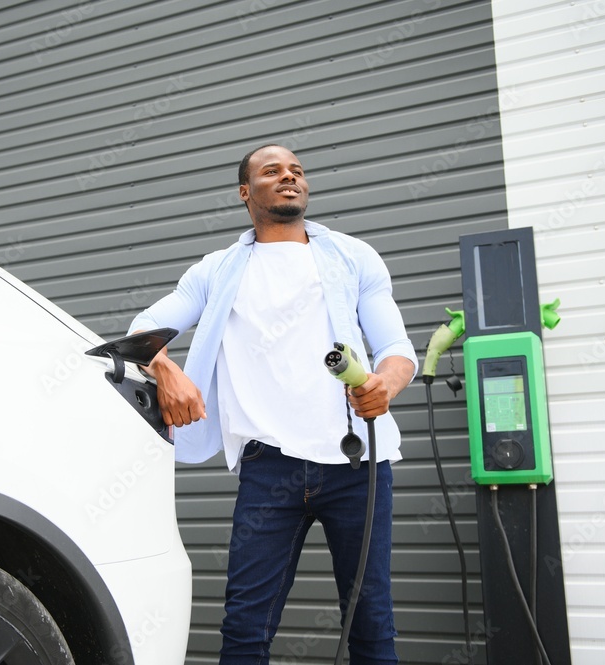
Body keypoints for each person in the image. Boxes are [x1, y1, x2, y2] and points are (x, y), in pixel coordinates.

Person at [128, 144, 417, 664]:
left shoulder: (354, 257)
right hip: (269, 470)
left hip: (357, 468)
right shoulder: (217, 271)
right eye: (272, 171)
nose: (290, 177)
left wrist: (386, 386)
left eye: (297, 171)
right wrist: (166, 370)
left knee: (372, 624)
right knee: (244, 628)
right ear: (246, 192)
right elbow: (144, 328)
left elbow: (397, 351)